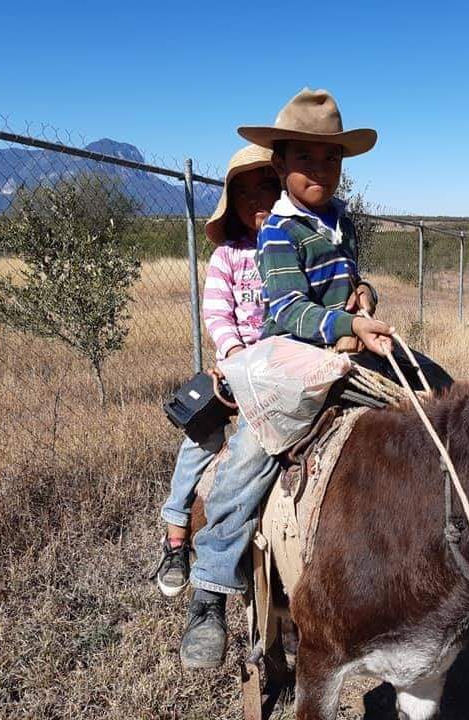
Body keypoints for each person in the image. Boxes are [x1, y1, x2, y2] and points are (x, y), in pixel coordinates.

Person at [180, 88, 392, 669]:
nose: (320, 170)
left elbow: (349, 279)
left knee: (433, 397)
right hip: (291, 362)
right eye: (306, 159)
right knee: (248, 457)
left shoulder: (341, 219)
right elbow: (285, 310)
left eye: (330, 159)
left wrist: (364, 295)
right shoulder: (278, 231)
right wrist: (346, 323)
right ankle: (210, 591)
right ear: (280, 165)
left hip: (346, 352)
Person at [153, 145, 280, 599]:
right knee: (201, 438)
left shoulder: (291, 245)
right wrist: (232, 356)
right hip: (237, 365)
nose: (256, 199)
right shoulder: (228, 255)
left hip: (282, 368)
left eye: (266, 185)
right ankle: (176, 535)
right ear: (232, 203)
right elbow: (218, 314)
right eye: (243, 192)